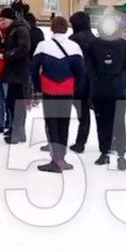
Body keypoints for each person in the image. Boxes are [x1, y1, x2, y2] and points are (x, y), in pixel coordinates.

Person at [31, 16, 85, 173]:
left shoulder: (43, 46)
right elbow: (81, 72)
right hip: (67, 90)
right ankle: (62, 158)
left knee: (52, 123)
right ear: (66, 29)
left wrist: (38, 86)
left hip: (49, 89)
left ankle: (56, 160)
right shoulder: (74, 46)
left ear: (51, 28)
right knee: (64, 123)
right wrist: (75, 87)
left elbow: (33, 69)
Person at [88, 17, 126, 171]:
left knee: (109, 122)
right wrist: (118, 77)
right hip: (108, 89)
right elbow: (89, 65)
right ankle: (112, 153)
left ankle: (114, 154)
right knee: (110, 122)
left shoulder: (120, 45)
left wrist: (119, 77)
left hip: (109, 89)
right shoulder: (96, 44)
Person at [0, 7, 31, 145]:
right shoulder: (13, 29)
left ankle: (18, 132)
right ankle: (15, 130)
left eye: (4, 18)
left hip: (19, 72)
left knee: (17, 103)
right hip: (14, 72)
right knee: (12, 102)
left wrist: (7, 55)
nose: (2, 21)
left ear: (11, 18)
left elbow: (24, 48)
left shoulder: (20, 29)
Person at [67, 11, 96, 153]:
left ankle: (60, 140)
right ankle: (81, 142)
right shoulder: (94, 39)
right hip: (90, 80)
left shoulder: (73, 39)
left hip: (74, 80)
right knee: (85, 115)